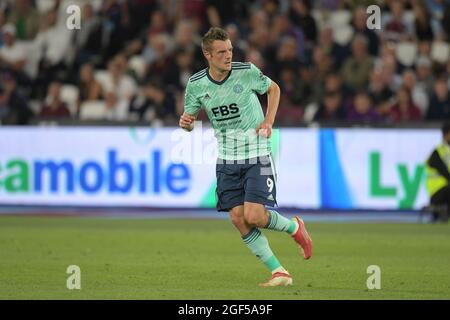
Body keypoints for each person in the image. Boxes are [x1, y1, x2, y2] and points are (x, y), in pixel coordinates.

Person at [179, 27, 312, 287]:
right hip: (227, 159)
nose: (228, 56)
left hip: (257, 153)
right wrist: (186, 123)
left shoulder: (246, 72)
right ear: (207, 54)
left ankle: (295, 228)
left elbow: (274, 89)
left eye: (229, 50)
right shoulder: (196, 85)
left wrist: (269, 121)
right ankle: (279, 272)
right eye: (221, 52)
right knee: (238, 218)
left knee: (254, 215)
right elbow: (189, 119)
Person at [425, 122, 450, 223]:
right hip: (437, 192)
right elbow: (446, 173)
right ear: (446, 134)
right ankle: (439, 214)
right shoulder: (437, 152)